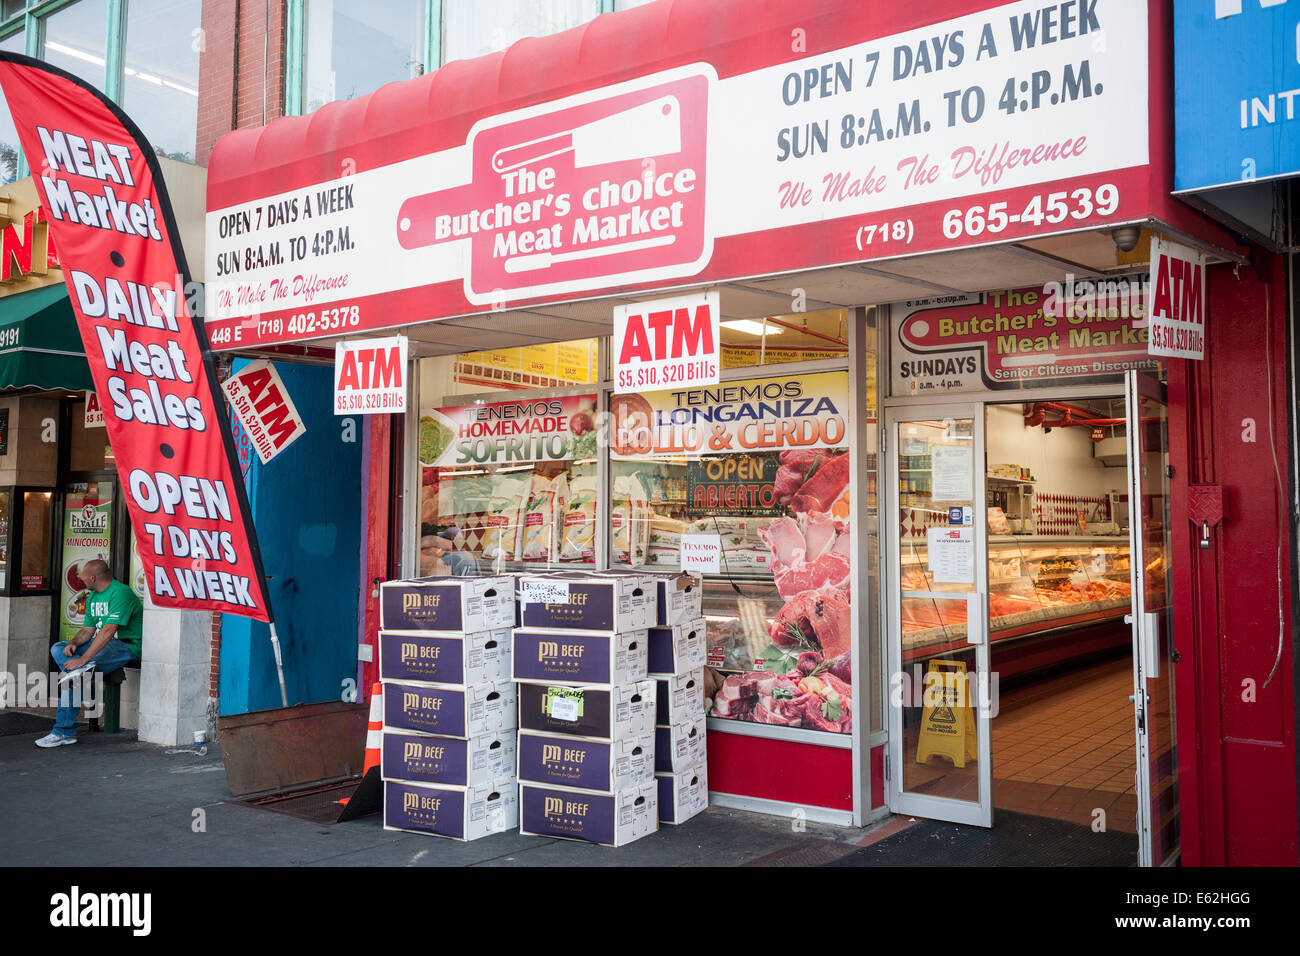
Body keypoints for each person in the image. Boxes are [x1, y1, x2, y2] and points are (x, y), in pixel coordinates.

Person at [35, 558, 142, 748]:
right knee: (58, 648)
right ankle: (81, 672)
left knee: (74, 676)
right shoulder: (92, 596)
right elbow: (87, 631)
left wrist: (83, 659)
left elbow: (109, 631)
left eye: (84, 577)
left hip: (126, 646)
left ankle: (63, 732)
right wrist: (74, 643)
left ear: (92, 577)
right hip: (102, 644)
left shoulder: (120, 592)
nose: (82, 580)